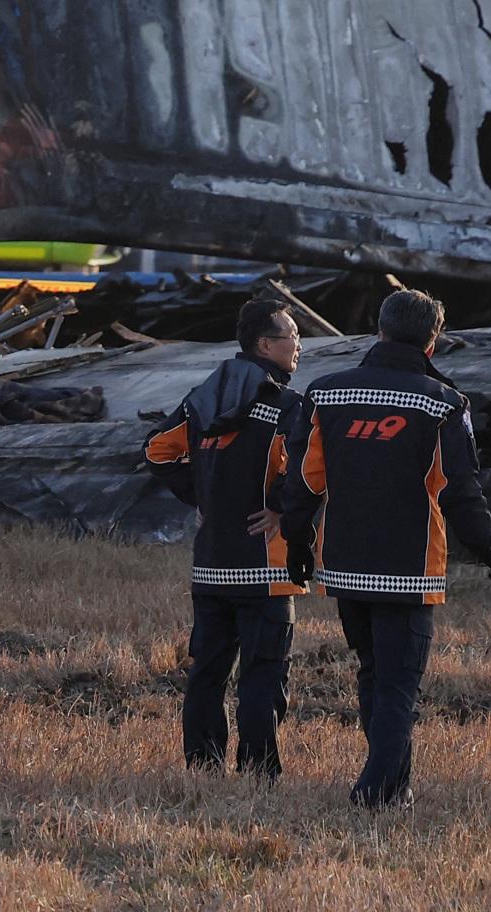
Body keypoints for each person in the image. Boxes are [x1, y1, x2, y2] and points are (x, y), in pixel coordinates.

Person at [272, 287, 491, 808]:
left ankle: (395, 790)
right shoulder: (444, 403)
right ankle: (374, 792)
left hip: (348, 567)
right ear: (434, 340)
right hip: (410, 567)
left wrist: (297, 543)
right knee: (399, 687)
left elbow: (305, 483)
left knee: (374, 675)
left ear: (379, 330)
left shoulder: (326, 394)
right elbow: (459, 487)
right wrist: (487, 546)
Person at [142, 294, 306, 775]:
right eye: (291, 337)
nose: (298, 346)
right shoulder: (284, 404)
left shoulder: (202, 400)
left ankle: (202, 765)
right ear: (264, 344)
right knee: (263, 673)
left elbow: (155, 450)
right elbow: (310, 467)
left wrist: (202, 497)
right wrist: (278, 506)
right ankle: (258, 772)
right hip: (265, 568)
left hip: (211, 563)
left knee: (207, 673)